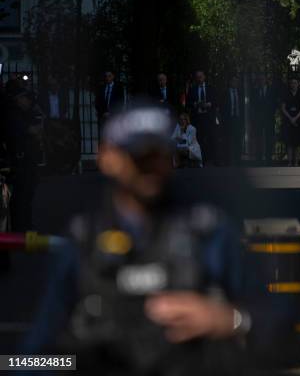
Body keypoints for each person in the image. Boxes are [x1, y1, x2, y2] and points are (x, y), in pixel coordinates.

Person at [23, 103, 248, 375]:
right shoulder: (83, 240)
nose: (151, 168)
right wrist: (75, 360)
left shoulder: (208, 231)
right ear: (107, 157)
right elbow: (34, 356)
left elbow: (274, 322)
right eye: (139, 157)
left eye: (159, 155)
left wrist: (230, 320)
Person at [4, 89, 44, 231]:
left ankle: (24, 226)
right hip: (20, 160)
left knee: (26, 195)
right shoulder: (14, 114)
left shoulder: (23, 113)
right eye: (25, 98)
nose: (28, 101)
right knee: (21, 196)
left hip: (26, 159)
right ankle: (21, 227)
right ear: (19, 99)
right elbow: (32, 130)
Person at [187, 70, 217, 165]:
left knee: (210, 138)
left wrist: (210, 104)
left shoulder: (211, 88)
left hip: (209, 117)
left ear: (204, 77)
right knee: (198, 139)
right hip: (197, 118)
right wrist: (195, 104)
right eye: (198, 77)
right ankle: (200, 159)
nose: (199, 79)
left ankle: (211, 159)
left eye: (201, 76)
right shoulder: (192, 89)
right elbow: (188, 103)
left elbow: (216, 101)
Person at [250, 74, 277, 165]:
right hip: (258, 119)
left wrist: (272, 114)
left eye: (263, 79)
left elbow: (274, 103)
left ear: (265, 80)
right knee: (258, 138)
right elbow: (252, 104)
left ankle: (268, 158)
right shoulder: (255, 90)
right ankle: (259, 158)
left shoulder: (271, 90)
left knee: (269, 138)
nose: (262, 81)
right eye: (260, 79)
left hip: (269, 118)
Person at [280, 77, 300, 167]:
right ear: (290, 84)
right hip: (288, 120)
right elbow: (283, 107)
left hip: (298, 120)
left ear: (298, 84)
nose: (293, 84)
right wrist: (290, 118)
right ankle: (290, 162)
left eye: (295, 83)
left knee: (297, 142)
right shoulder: (286, 94)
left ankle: (296, 162)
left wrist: (295, 118)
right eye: (292, 83)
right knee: (289, 142)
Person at [220, 75, 244, 166]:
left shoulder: (240, 92)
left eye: (236, 81)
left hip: (237, 119)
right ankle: (227, 160)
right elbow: (222, 107)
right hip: (228, 119)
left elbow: (243, 107)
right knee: (227, 139)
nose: (235, 83)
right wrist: (223, 118)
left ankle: (238, 160)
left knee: (238, 140)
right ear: (230, 82)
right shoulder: (225, 92)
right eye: (233, 81)